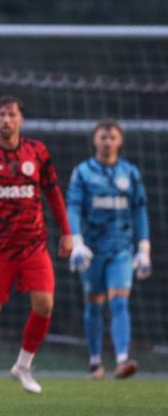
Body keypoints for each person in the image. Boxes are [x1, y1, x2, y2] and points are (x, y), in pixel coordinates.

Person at [0, 96, 73, 394]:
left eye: (11, 114)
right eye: (1, 114)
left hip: (33, 244)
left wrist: (67, 232)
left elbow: (53, 193)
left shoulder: (37, 152)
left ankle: (23, 365)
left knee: (45, 304)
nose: (6, 120)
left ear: (21, 120)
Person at [66, 119, 151, 380]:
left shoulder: (130, 173)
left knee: (119, 301)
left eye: (112, 137)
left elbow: (139, 210)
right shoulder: (83, 172)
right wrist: (77, 242)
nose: (107, 142)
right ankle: (95, 362)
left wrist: (144, 248)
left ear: (120, 141)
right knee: (94, 304)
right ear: (95, 140)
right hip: (91, 250)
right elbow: (73, 207)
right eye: (103, 137)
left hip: (121, 249)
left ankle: (122, 359)